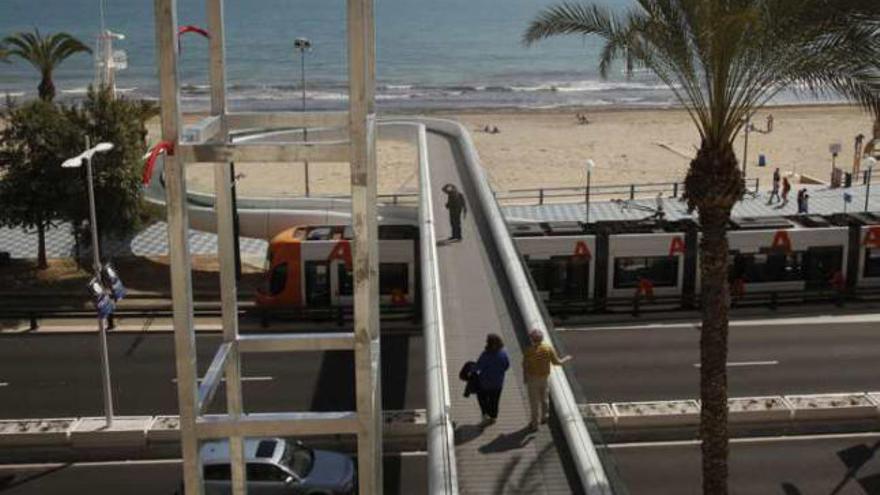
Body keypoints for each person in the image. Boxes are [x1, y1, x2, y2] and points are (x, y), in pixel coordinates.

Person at [522, 329, 572, 430]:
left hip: (532, 379)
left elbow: (525, 366)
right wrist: (566, 359)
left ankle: (535, 424)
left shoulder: (529, 351)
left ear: (532, 339)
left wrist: (525, 378)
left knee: (534, 402)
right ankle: (545, 416)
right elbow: (557, 362)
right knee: (544, 398)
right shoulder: (548, 349)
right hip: (544, 378)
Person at [474, 334, 510, 425]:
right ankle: (493, 417)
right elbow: (506, 366)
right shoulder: (503, 353)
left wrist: (471, 369)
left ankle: (485, 415)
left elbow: (478, 367)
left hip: (485, 383)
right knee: (495, 401)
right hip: (498, 383)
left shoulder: (485, 355)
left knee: (482, 399)